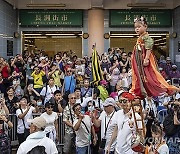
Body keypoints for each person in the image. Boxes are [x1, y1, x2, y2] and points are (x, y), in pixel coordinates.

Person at [130, 16, 178, 98]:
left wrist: (146, 58)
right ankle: (144, 90)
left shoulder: (146, 37)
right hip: (140, 59)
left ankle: (160, 90)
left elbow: (149, 47)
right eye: (135, 27)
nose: (137, 29)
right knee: (142, 75)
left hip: (144, 58)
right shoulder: (140, 38)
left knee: (150, 76)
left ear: (145, 27)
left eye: (139, 27)